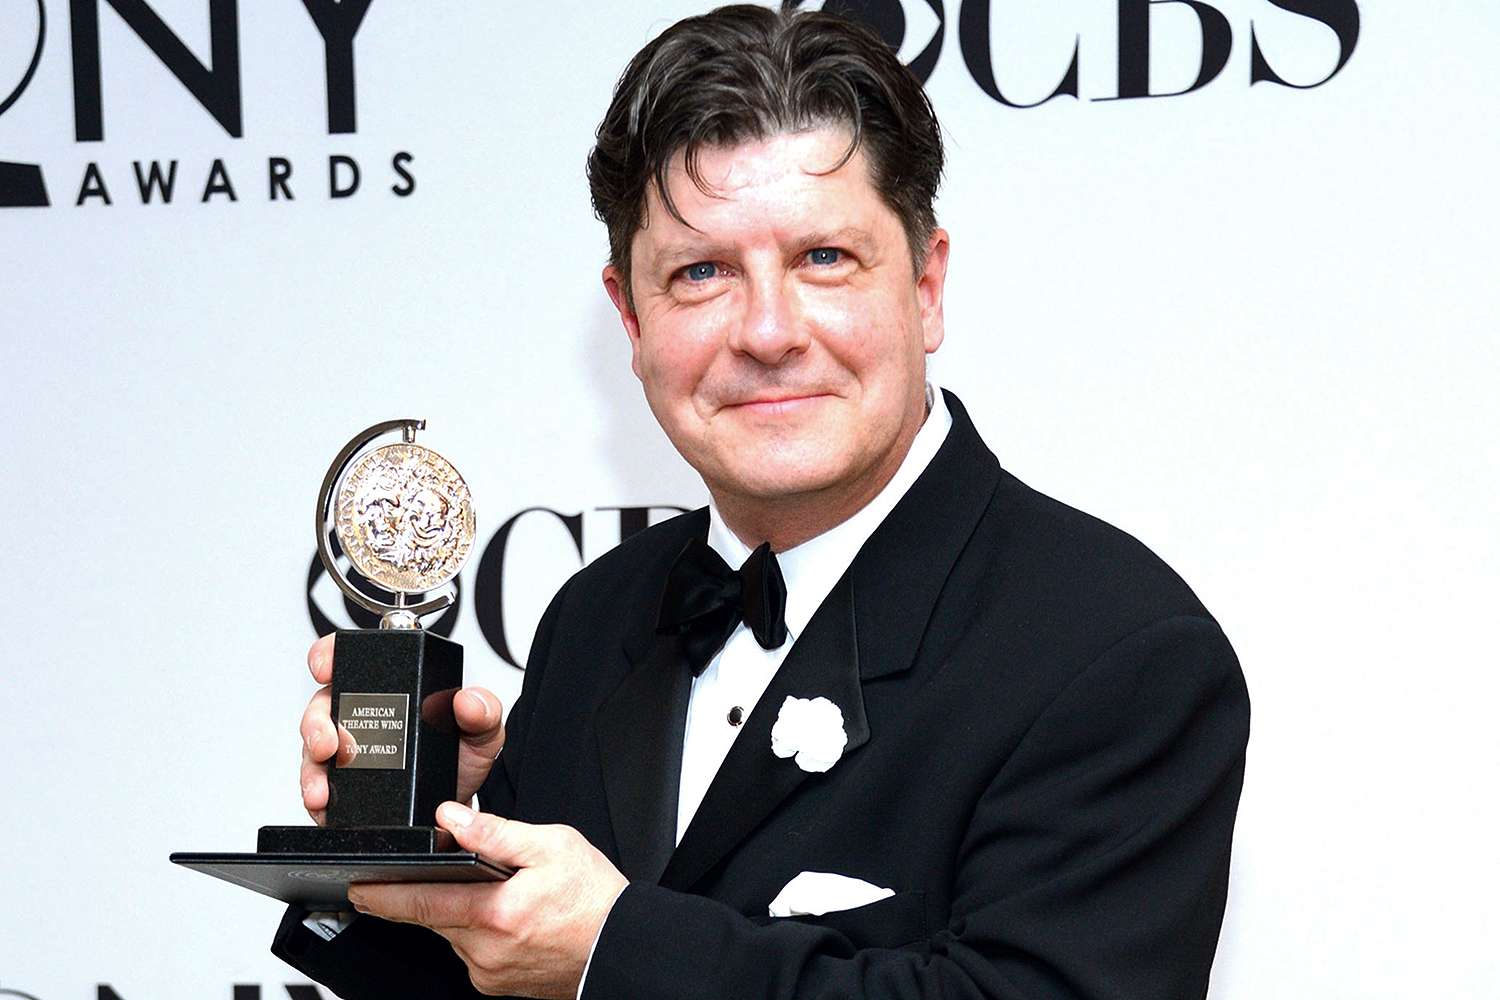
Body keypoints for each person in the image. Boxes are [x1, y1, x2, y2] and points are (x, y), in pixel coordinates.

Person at [274, 5, 1251, 998]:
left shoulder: (1118, 652)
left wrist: (619, 953)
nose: (769, 330)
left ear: (925, 285)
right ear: (632, 317)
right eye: (702, 273)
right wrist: (416, 844)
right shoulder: (596, 616)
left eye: (824, 258)